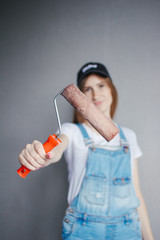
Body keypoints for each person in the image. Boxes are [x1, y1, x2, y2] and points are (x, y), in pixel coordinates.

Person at [19, 62, 154, 240]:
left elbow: (136, 194)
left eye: (101, 85)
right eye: (87, 89)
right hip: (82, 231)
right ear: (79, 98)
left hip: (128, 230)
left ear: (111, 90)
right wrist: (42, 155)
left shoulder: (128, 136)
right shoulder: (71, 131)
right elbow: (58, 147)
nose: (95, 94)